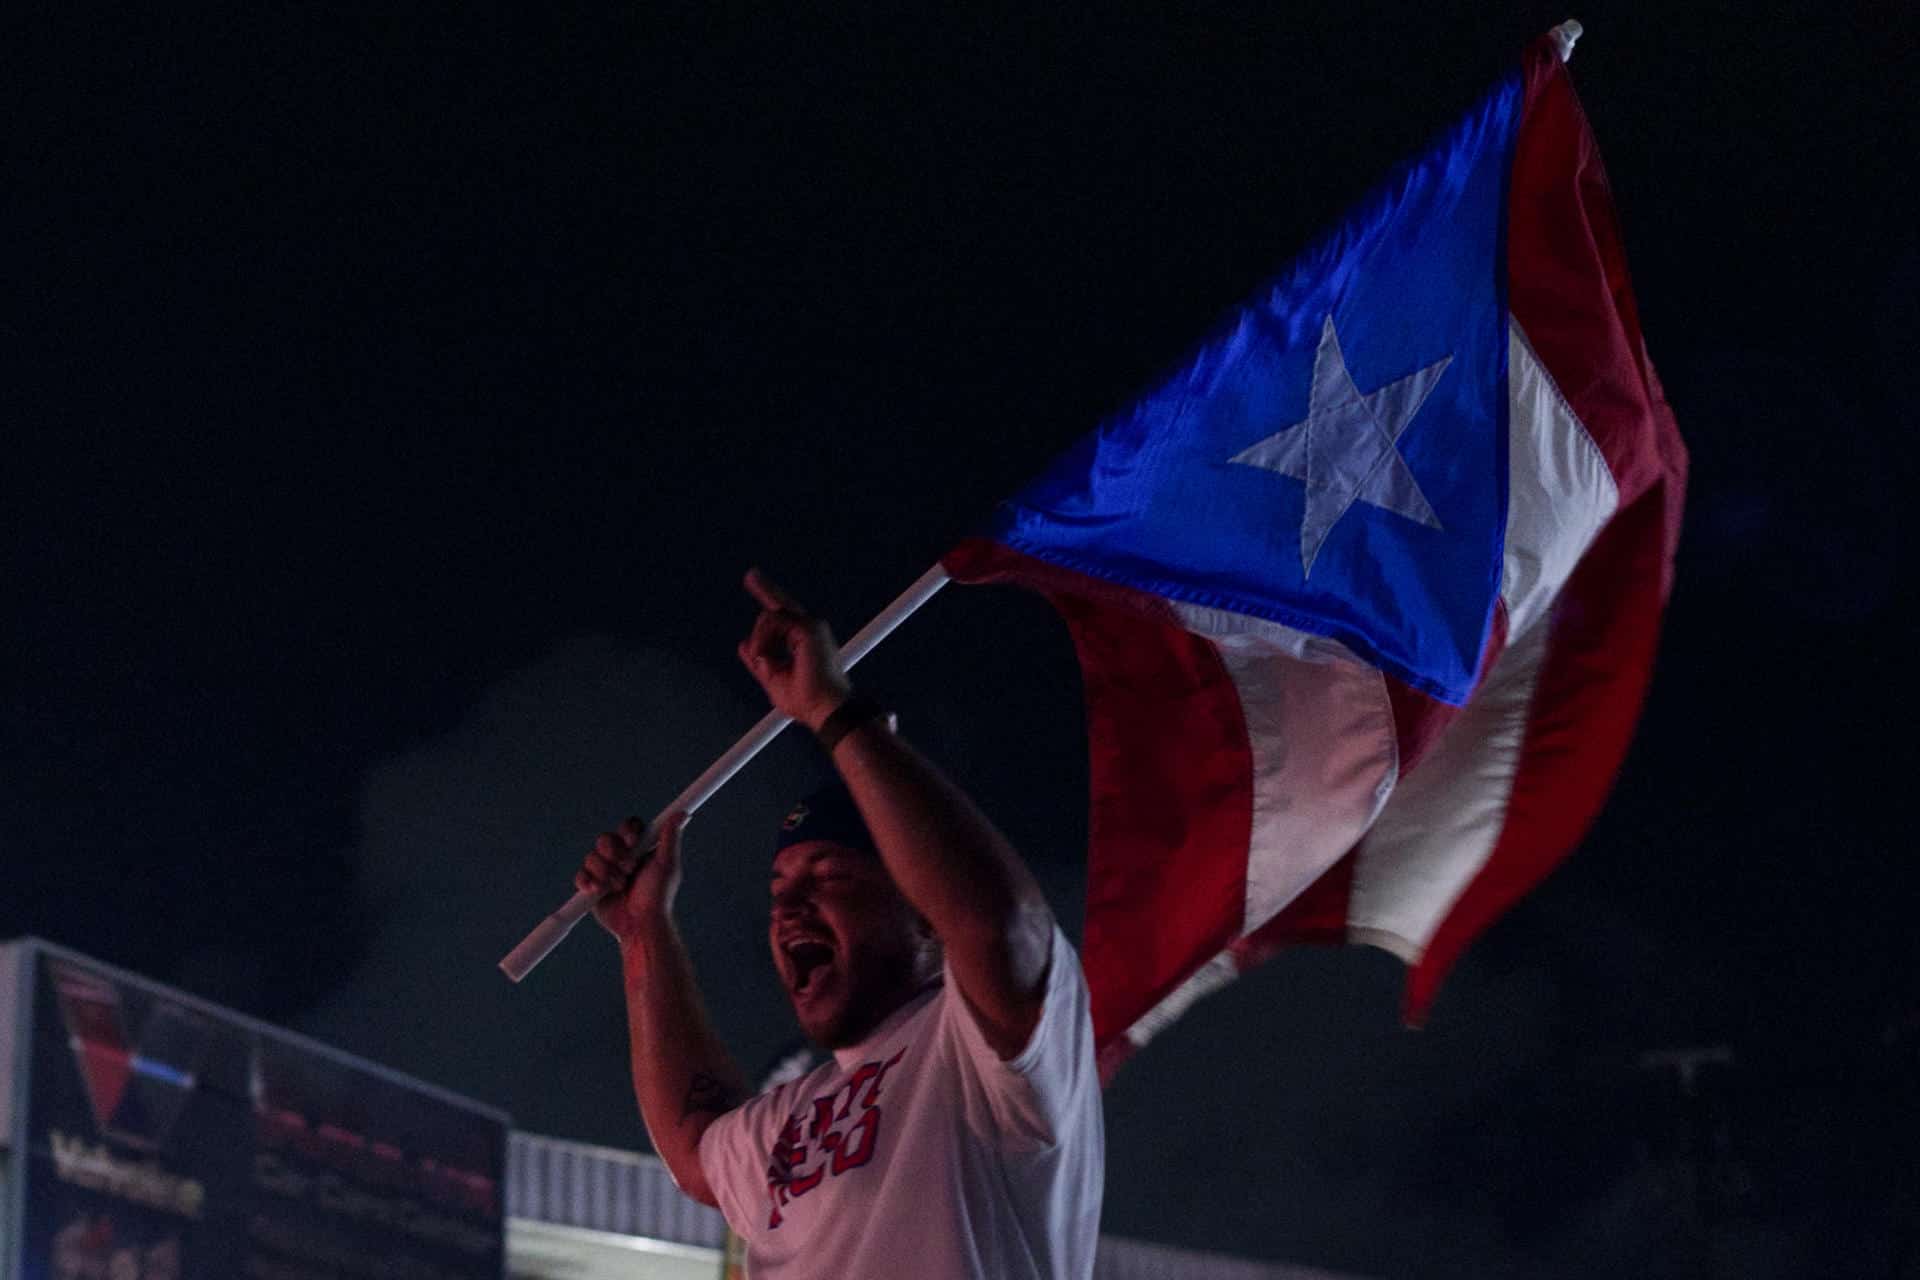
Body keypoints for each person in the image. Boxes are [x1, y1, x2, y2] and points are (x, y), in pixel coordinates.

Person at [574, 569, 1104, 1279]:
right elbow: (698, 1146)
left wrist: (833, 711)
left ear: (919, 907)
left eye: (830, 876)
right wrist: (644, 935)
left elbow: (998, 925)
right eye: (780, 886)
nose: (789, 906)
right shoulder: (796, 1113)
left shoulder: (981, 1055)